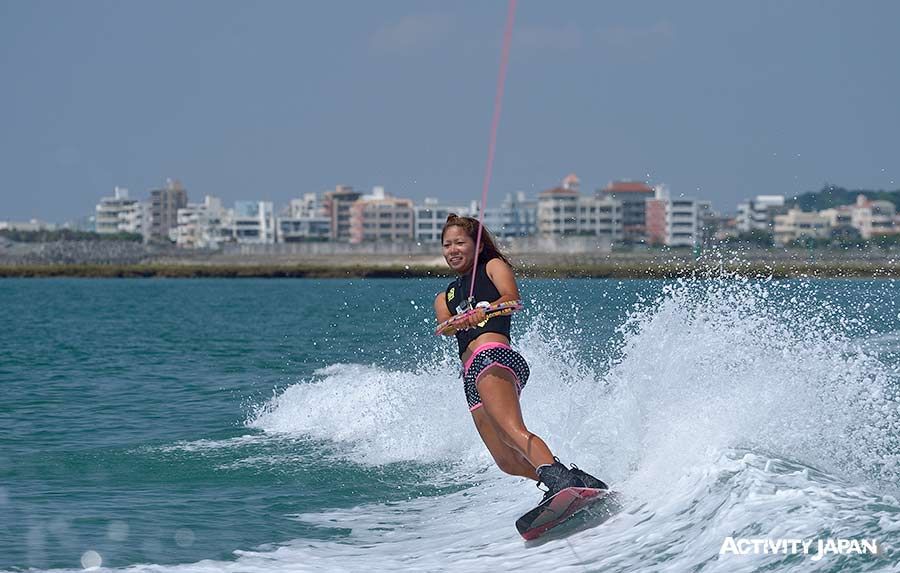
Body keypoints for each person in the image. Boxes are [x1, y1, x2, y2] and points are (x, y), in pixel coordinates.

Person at [434, 214, 607, 505]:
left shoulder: (492, 266)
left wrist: (484, 310)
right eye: (447, 244)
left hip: (493, 357)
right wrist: (459, 321)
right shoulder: (444, 295)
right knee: (506, 460)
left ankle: (561, 483)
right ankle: (570, 480)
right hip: (470, 376)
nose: (452, 249)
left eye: (460, 243)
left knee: (513, 431)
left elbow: (512, 298)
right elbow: (444, 326)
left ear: (476, 246)